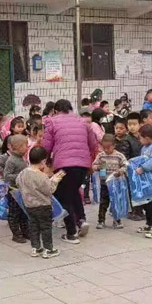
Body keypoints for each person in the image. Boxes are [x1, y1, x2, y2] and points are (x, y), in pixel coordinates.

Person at [42, 99, 98, 244]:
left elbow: (46, 146)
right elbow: (93, 144)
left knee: (64, 196)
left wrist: (46, 161)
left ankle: (71, 233)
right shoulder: (82, 122)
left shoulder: (52, 122)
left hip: (63, 166)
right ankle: (81, 220)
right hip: (82, 165)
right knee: (73, 192)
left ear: (55, 111)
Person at [17, 146, 64, 258]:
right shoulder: (41, 176)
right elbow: (49, 190)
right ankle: (48, 249)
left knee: (34, 226)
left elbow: (17, 182)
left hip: (29, 205)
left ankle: (36, 248)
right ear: (43, 161)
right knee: (46, 227)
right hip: (43, 206)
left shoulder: (23, 173)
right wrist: (55, 180)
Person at [92, 134, 128, 230]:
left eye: (109, 147)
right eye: (104, 148)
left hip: (116, 184)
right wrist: (97, 167)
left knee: (116, 202)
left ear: (114, 145)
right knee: (103, 202)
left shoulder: (119, 156)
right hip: (104, 183)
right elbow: (94, 165)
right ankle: (101, 220)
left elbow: (125, 165)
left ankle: (117, 220)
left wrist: (120, 171)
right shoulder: (101, 155)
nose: (106, 150)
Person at [3, 134, 31, 243]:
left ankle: (25, 231)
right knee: (14, 214)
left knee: (23, 212)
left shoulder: (22, 158)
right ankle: (16, 234)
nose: (27, 147)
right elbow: (6, 176)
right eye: (25, 145)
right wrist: (21, 175)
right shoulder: (11, 160)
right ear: (18, 147)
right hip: (14, 191)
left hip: (23, 190)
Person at [125, 112, 145, 221]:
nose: (132, 127)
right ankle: (133, 211)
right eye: (129, 124)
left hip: (141, 168)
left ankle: (139, 210)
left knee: (140, 189)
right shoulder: (127, 139)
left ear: (140, 124)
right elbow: (125, 156)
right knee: (132, 190)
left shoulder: (142, 137)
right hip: (131, 169)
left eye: (134, 124)